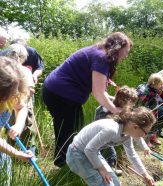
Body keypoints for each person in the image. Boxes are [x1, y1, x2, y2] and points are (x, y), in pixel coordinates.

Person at [43, 32, 132, 167]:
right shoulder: (102, 57)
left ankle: (65, 162)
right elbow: (98, 93)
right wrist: (115, 109)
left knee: (74, 128)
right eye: (126, 51)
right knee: (68, 131)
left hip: (60, 93)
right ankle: (64, 164)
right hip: (60, 94)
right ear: (119, 47)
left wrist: (113, 100)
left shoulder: (100, 53)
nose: (126, 55)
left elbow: (99, 89)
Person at [66, 107, 156, 186]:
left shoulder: (127, 135)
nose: (144, 136)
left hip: (93, 153)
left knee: (115, 183)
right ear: (135, 127)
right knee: (104, 184)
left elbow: (132, 154)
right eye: (145, 132)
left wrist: (145, 175)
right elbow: (89, 149)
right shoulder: (112, 130)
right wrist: (101, 169)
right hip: (77, 155)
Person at [94, 86, 150, 176]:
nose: (133, 106)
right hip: (102, 135)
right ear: (126, 101)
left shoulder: (122, 109)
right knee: (111, 154)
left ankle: (107, 169)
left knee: (107, 153)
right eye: (132, 104)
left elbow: (135, 131)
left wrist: (144, 146)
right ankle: (107, 170)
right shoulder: (107, 109)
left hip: (107, 137)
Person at [0, 57, 33, 185]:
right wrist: (16, 153)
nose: (12, 96)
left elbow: (21, 107)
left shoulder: (13, 92)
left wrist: (19, 124)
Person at [137, 73, 163, 147]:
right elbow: (145, 103)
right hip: (146, 111)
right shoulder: (148, 91)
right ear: (154, 84)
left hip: (153, 108)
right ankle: (147, 141)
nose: (162, 86)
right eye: (161, 84)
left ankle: (154, 136)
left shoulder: (156, 88)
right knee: (152, 121)